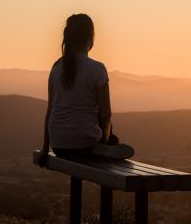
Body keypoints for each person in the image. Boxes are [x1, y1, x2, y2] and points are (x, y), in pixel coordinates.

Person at [37, 13, 134, 167]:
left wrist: (44, 148)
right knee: (112, 136)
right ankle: (105, 148)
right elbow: (106, 115)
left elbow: (50, 110)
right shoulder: (97, 69)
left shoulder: (56, 68)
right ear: (90, 37)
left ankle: (105, 146)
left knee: (103, 132)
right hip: (84, 145)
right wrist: (105, 141)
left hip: (58, 146)